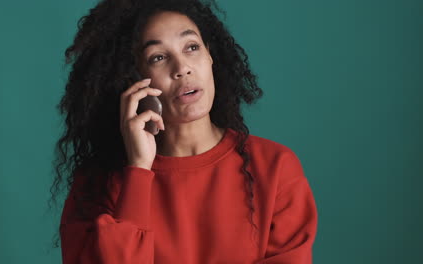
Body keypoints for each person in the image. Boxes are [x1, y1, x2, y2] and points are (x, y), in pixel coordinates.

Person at [50, 0, 318, 263]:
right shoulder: (96, 185)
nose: (182, 68)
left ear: (210, 56)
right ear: (131, 80)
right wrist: (139, 171)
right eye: (158, 58)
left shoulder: (275, 167)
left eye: (191, 47)